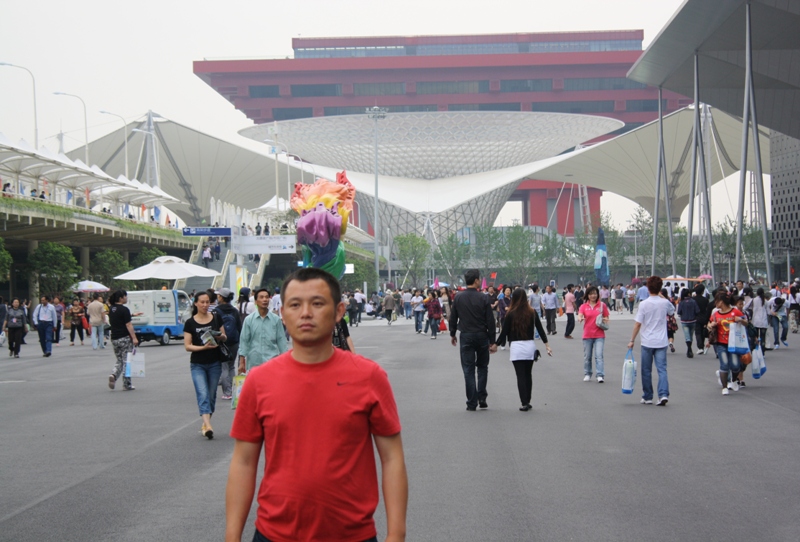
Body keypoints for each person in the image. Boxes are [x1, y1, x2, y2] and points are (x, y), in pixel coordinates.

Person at [225, 268, 407, 542]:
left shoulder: (369, 377)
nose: (306, 313)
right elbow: (244, 461)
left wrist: (397, 534)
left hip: (352, 535)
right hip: (274, 534)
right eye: (295, 305)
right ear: (283, 314)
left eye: (317, 303)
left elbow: (392, 458)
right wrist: (232, 536)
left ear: (338, 311)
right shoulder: (259, 381)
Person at [449, 269, 497, 411]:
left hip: (466, 336)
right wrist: (492, 340)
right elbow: (490, 320)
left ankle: (471, 402)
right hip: (482, 335)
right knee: (482, 367)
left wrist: (452, 333)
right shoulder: (483, 298)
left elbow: (453, 317)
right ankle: (482, 396)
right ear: (476, 281)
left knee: (468, 369)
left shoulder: (458, 297)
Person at [497, 288, 551, 411]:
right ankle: (528, 399)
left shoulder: (510, 314)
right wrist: (547, 345)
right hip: (529, 346)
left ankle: (524, 402)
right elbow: (540, 330)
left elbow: (504, 332)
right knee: (528, 374)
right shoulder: (532, 312)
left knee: (520, 375)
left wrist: (495, 344)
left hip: (516, 347)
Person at [184, 292, 226, 439]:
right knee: (202, 393)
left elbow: (224, 336)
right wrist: (203, 348)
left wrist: (220, 337)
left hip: (215, 362)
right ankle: (208, 426)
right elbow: (187, 346)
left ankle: (206, 423)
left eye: (207, 302)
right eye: (202, 302)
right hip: (198, 364)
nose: (205, 305)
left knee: (212, 394)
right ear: (196, 303)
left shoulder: (216, 318)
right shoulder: (190, 323)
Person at [627, 276, 674, 406]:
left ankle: (648, 396)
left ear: (648, 288)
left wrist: (632, 340)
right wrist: (663, 296)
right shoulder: (664, 303)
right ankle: (663, 394)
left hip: (647, 341)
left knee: (646, 370)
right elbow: (671, 311)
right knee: (662, 369)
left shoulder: (643, 304)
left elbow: (637, 324)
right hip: (661, 341)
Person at [238, 288, 289, 374]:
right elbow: (244, 341)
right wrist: (242, 362)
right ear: (256, 301)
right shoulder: (249, 320)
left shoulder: (276, 320)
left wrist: (286, 362)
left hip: (271, 362)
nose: (264, 299)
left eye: (266, 297)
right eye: (261, 297)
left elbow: (281, 341)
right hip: (254, 363)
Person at [707, 291, 747, 396]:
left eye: (716, 301)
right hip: (721, 343)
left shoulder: (735, 311)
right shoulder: (716, 314)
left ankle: (733, 380)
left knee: (735, 365)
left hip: (734, 344)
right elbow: (709, 324)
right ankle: (725, 387)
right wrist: (711, 325)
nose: (715, 303)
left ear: (721, 302)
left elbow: (746, 322)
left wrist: (740, 320)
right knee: (724, 365)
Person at [107, 290, 138, 391]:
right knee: (127, 361)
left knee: (119, 359)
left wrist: (133, 315)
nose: (126, 298)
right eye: (125, 296)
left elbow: (118, 318)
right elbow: (128, 324)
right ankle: (127, 384)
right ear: (121, 298)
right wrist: (134, 337)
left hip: (114, 338)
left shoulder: (112, 309)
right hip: (124, 338)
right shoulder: (124, 309)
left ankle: (114, 375)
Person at [214, 288, 242, 401]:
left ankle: (227, 392)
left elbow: (214, 327)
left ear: (221, 297)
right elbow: (239, 326)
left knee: (224, 366)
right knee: (231, 366)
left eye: (218, 295)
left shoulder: (216, 311)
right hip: (234, 341)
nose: (217, 297)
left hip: (222, 341)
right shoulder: (234, 310)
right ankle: (234, 391)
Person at [577, 286, 609, 383]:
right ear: (587, 295)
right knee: (587, 356)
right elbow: (580, 315)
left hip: (599, 334)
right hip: (587, 335)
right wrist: (580, 318)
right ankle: (587, 373)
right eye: (591, 294)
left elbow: (607, 317)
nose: (593, 296)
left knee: (599, 355)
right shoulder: (583, 306)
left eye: (595, 293)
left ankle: (600, 375)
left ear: (598, 294)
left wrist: (605, 320)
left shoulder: (602, 305)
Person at [676, 289, 701, 358]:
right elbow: (697, 311)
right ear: (689, 294)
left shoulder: (681, 302)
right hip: (693, 321)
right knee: (691, 335)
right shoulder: (693, 301)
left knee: (687, 336)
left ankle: (689, 349)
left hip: (684, 321)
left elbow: (679, 312)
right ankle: (689, 349)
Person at [693, 283, 710, 355]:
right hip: (704, 317)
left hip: (696, 317)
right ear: (703, 291)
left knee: (698, 332)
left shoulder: (693, 299)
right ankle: (701, 346)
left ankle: (700, 347)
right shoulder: (705, 300)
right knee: (703, 332)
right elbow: (707, 309)